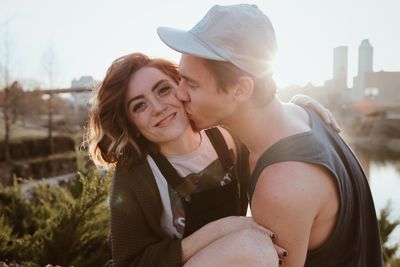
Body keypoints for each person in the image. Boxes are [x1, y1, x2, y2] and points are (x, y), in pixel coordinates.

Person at [157, 4, 383, 267]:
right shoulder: (302, 115)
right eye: (180, 78)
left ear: (241, 90)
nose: (179, 94)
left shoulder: (281, 184)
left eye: (191, 84)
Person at [86, 52, 336, 266]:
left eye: (163, 90)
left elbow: (259, 116)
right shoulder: (136, 173)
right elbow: (128, 262)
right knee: (257, 249)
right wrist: (224, 229)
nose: (158, 107)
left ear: (183, 88)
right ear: (133, 124)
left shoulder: (226, 135)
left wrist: (298, 107)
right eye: (139, 106)